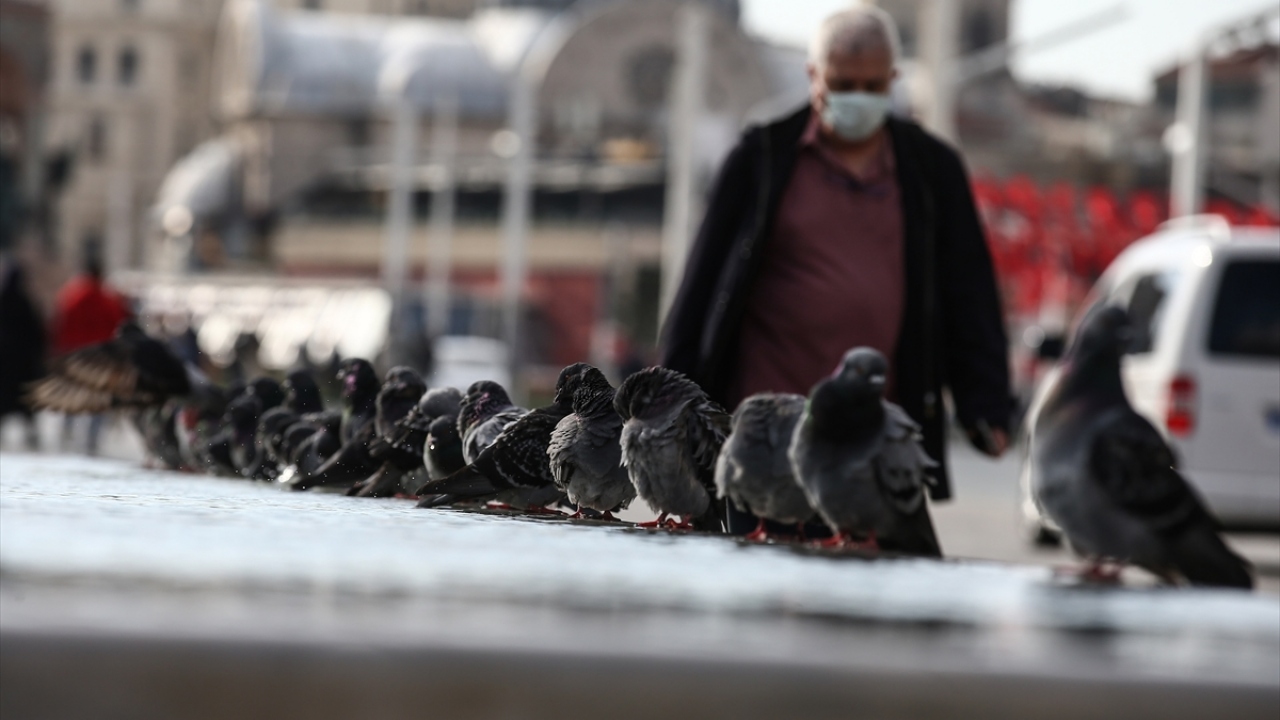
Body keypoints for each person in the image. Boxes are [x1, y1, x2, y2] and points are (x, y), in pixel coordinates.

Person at [659, 6, 1013, 534]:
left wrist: (986, 402)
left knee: (899, 599)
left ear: (893, 80)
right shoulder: (762, 158)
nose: (858, 98)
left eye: (873, 86)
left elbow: (968, 290)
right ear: (813, 76)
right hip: (761, 448)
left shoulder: (930, 169)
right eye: (843, 83)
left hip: (873, 447)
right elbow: (704, 288)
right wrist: (672, 405)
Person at [50, 248, 131, 453]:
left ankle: (67, 431)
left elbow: (60, 324)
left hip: (74, 353)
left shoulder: (72, 296)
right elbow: (119, 326)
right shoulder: (109, 299)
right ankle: (91, 438)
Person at [0, 260, 47, 448]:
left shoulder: (2, 301)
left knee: (3, 400)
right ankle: (32, 433)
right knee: (24, 401)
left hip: (3, 364)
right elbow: (38, 334)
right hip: (22, 365)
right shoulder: (26, 303)